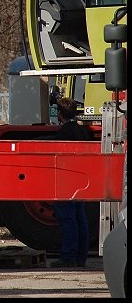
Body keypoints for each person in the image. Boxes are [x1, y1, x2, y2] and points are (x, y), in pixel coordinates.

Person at [50, 97, 92, 268]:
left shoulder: (64, 133)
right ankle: (80, 257)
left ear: (60, 114)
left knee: (68, 220)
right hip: (80, 180)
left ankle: (68, 257)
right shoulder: (82, 131)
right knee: (79, 219)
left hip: (66, 181)